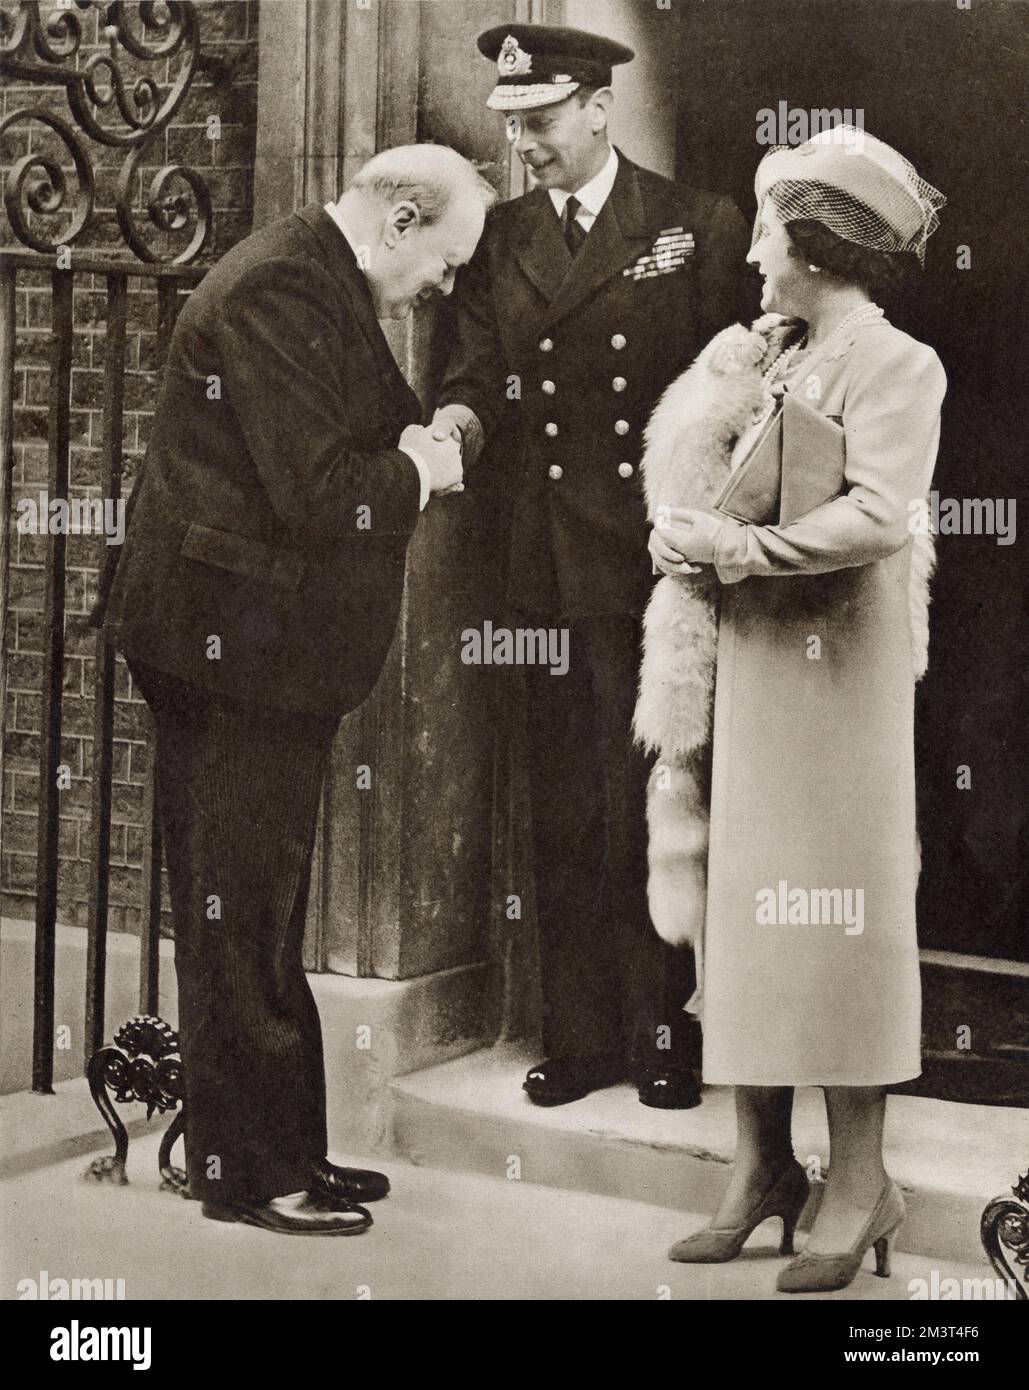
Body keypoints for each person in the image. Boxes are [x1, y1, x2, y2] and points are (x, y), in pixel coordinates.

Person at [92, 145, 494, 1236]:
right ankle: (246, 1170)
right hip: (229, 655)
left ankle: (281, 1147)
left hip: (262, 653)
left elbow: (383, 421)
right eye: (447, 262)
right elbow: (325, 493)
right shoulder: (283, 283)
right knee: (238, 911)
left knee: (259, 906)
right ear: (402, 218)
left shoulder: (324, 277)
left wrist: (430, 437)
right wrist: (422, 469)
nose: (445, 286)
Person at [637, 124, 947, 1291]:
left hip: (834, 684)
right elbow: (697, 478)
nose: (755, 254)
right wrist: (687, 523)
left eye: (772, 233)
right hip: (743, 671)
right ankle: (762, 1165)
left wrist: (743, 547)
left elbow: (878, 514)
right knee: (740, 916)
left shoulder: (897, 363)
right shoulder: (758, 352)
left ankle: (862, 1185)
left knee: (836, 923)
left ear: (819, 246)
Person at [434, 23, 750, 1110]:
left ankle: (669, 1027)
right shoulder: (497, 238)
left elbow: (741, 396)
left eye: (543, 119)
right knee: (563, 802)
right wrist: (450, 437)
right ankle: (583, 1034)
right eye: (512, 124)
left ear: (600, 106)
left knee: (658, 796)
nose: (525, 143)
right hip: (538, 567)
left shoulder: (695, 224)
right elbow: (469, 376)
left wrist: (709, 536)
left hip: (656, 566)